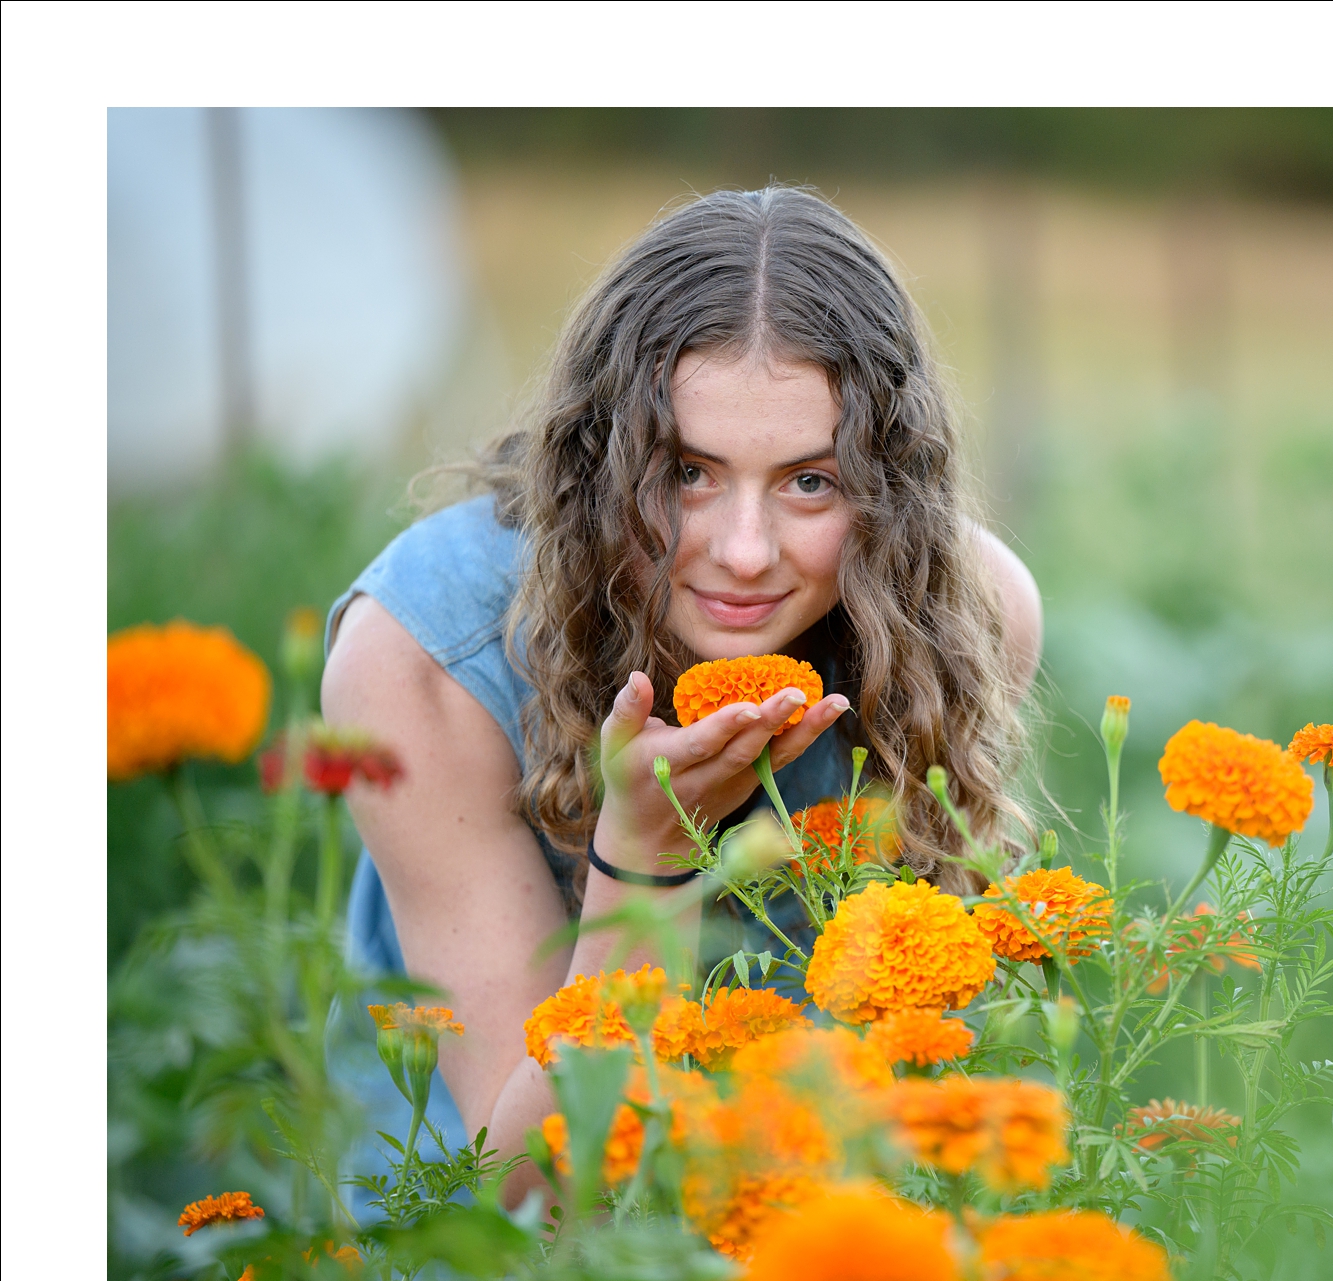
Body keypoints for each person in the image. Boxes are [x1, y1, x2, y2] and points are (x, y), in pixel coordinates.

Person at [321, 187, 1041, 1205]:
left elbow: (909, 1064)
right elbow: (514, 1182)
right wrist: (638, 867)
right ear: (599, 461)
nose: (743, 554)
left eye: (810, 483)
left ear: (887, 490)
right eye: (687, 472)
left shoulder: (965, 617)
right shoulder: (420, 659)